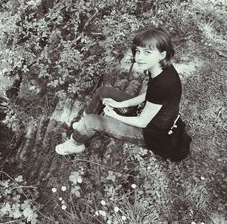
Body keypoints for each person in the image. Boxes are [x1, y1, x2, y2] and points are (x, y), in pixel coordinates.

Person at [55, 26, 191, 161]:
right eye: (138, 51)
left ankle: (75, 144)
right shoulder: (159, 67)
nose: (139, 57)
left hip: (149, 134)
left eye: (147, 52)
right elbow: (148, 96)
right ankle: (82, 127)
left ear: (162, 54)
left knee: (90, 122)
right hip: (144, 113)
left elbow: (142, 122)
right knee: (104, 91)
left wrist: (113, 114)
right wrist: (120, 103)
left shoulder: (163, 84)